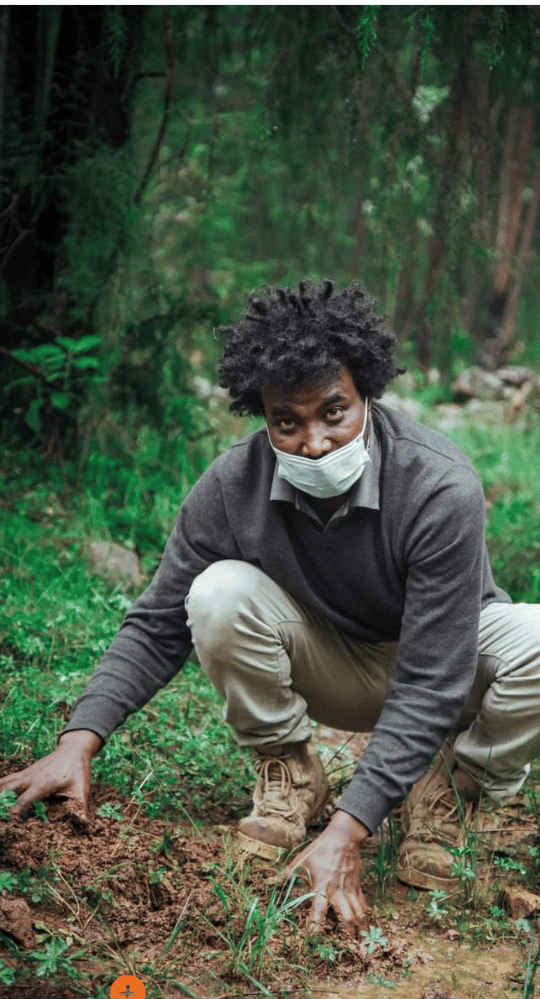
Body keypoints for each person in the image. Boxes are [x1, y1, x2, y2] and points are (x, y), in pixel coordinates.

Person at [2, 279, 539, 933]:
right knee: (216, 593)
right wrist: (78, 741)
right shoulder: (235, 484)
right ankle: (291, 770)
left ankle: (454, 791)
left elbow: (431, 679)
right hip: (333, 664)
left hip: (447, 666)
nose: (314, 441)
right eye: (288, 421)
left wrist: (352, 827)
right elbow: (159, 620)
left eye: (334, 412)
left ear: (367, 391)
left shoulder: (437, 486)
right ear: (261, 411)